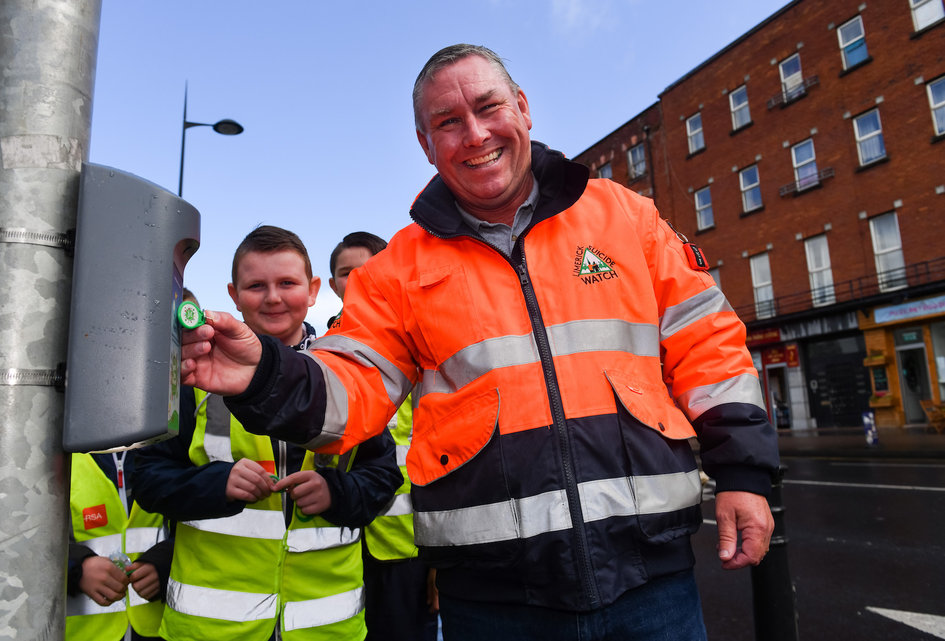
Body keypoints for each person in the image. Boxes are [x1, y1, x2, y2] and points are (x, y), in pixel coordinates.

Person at [178, 45, 780, 641]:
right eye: (447, 122)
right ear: (425, 145)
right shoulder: (398, 270)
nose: (474, 134)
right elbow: (351, 386)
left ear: (521, 108)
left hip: (652, 582)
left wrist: (744, 476)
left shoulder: (627, 219)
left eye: (488, 107)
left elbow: (707, 347)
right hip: (493, 601)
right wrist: (264, 375)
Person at [133, 225, 402, 641]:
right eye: (256, 285)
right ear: (233, 294)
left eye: (287, 283)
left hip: (327, 628)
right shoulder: (194, 372)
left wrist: (336, 493)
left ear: (313, 290)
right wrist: (217, 484)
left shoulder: (349, 375)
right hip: (211, 630)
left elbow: (384, 478)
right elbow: (147, 477)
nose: (273, 297)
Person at [328, 231, 439, 641]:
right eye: (345, 273)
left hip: (405, 553)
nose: (356, 279)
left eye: (367, 269)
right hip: (334, 549)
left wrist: (440, 562)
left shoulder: (425, 350)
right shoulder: (320, 355)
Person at [66, 450, 172, 641]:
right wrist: (76, 568)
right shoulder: (51, 451)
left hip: (159, 630)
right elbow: (18, 543)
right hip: (83, 634)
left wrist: (164, 564)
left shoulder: (168, 447)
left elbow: (200, 530)